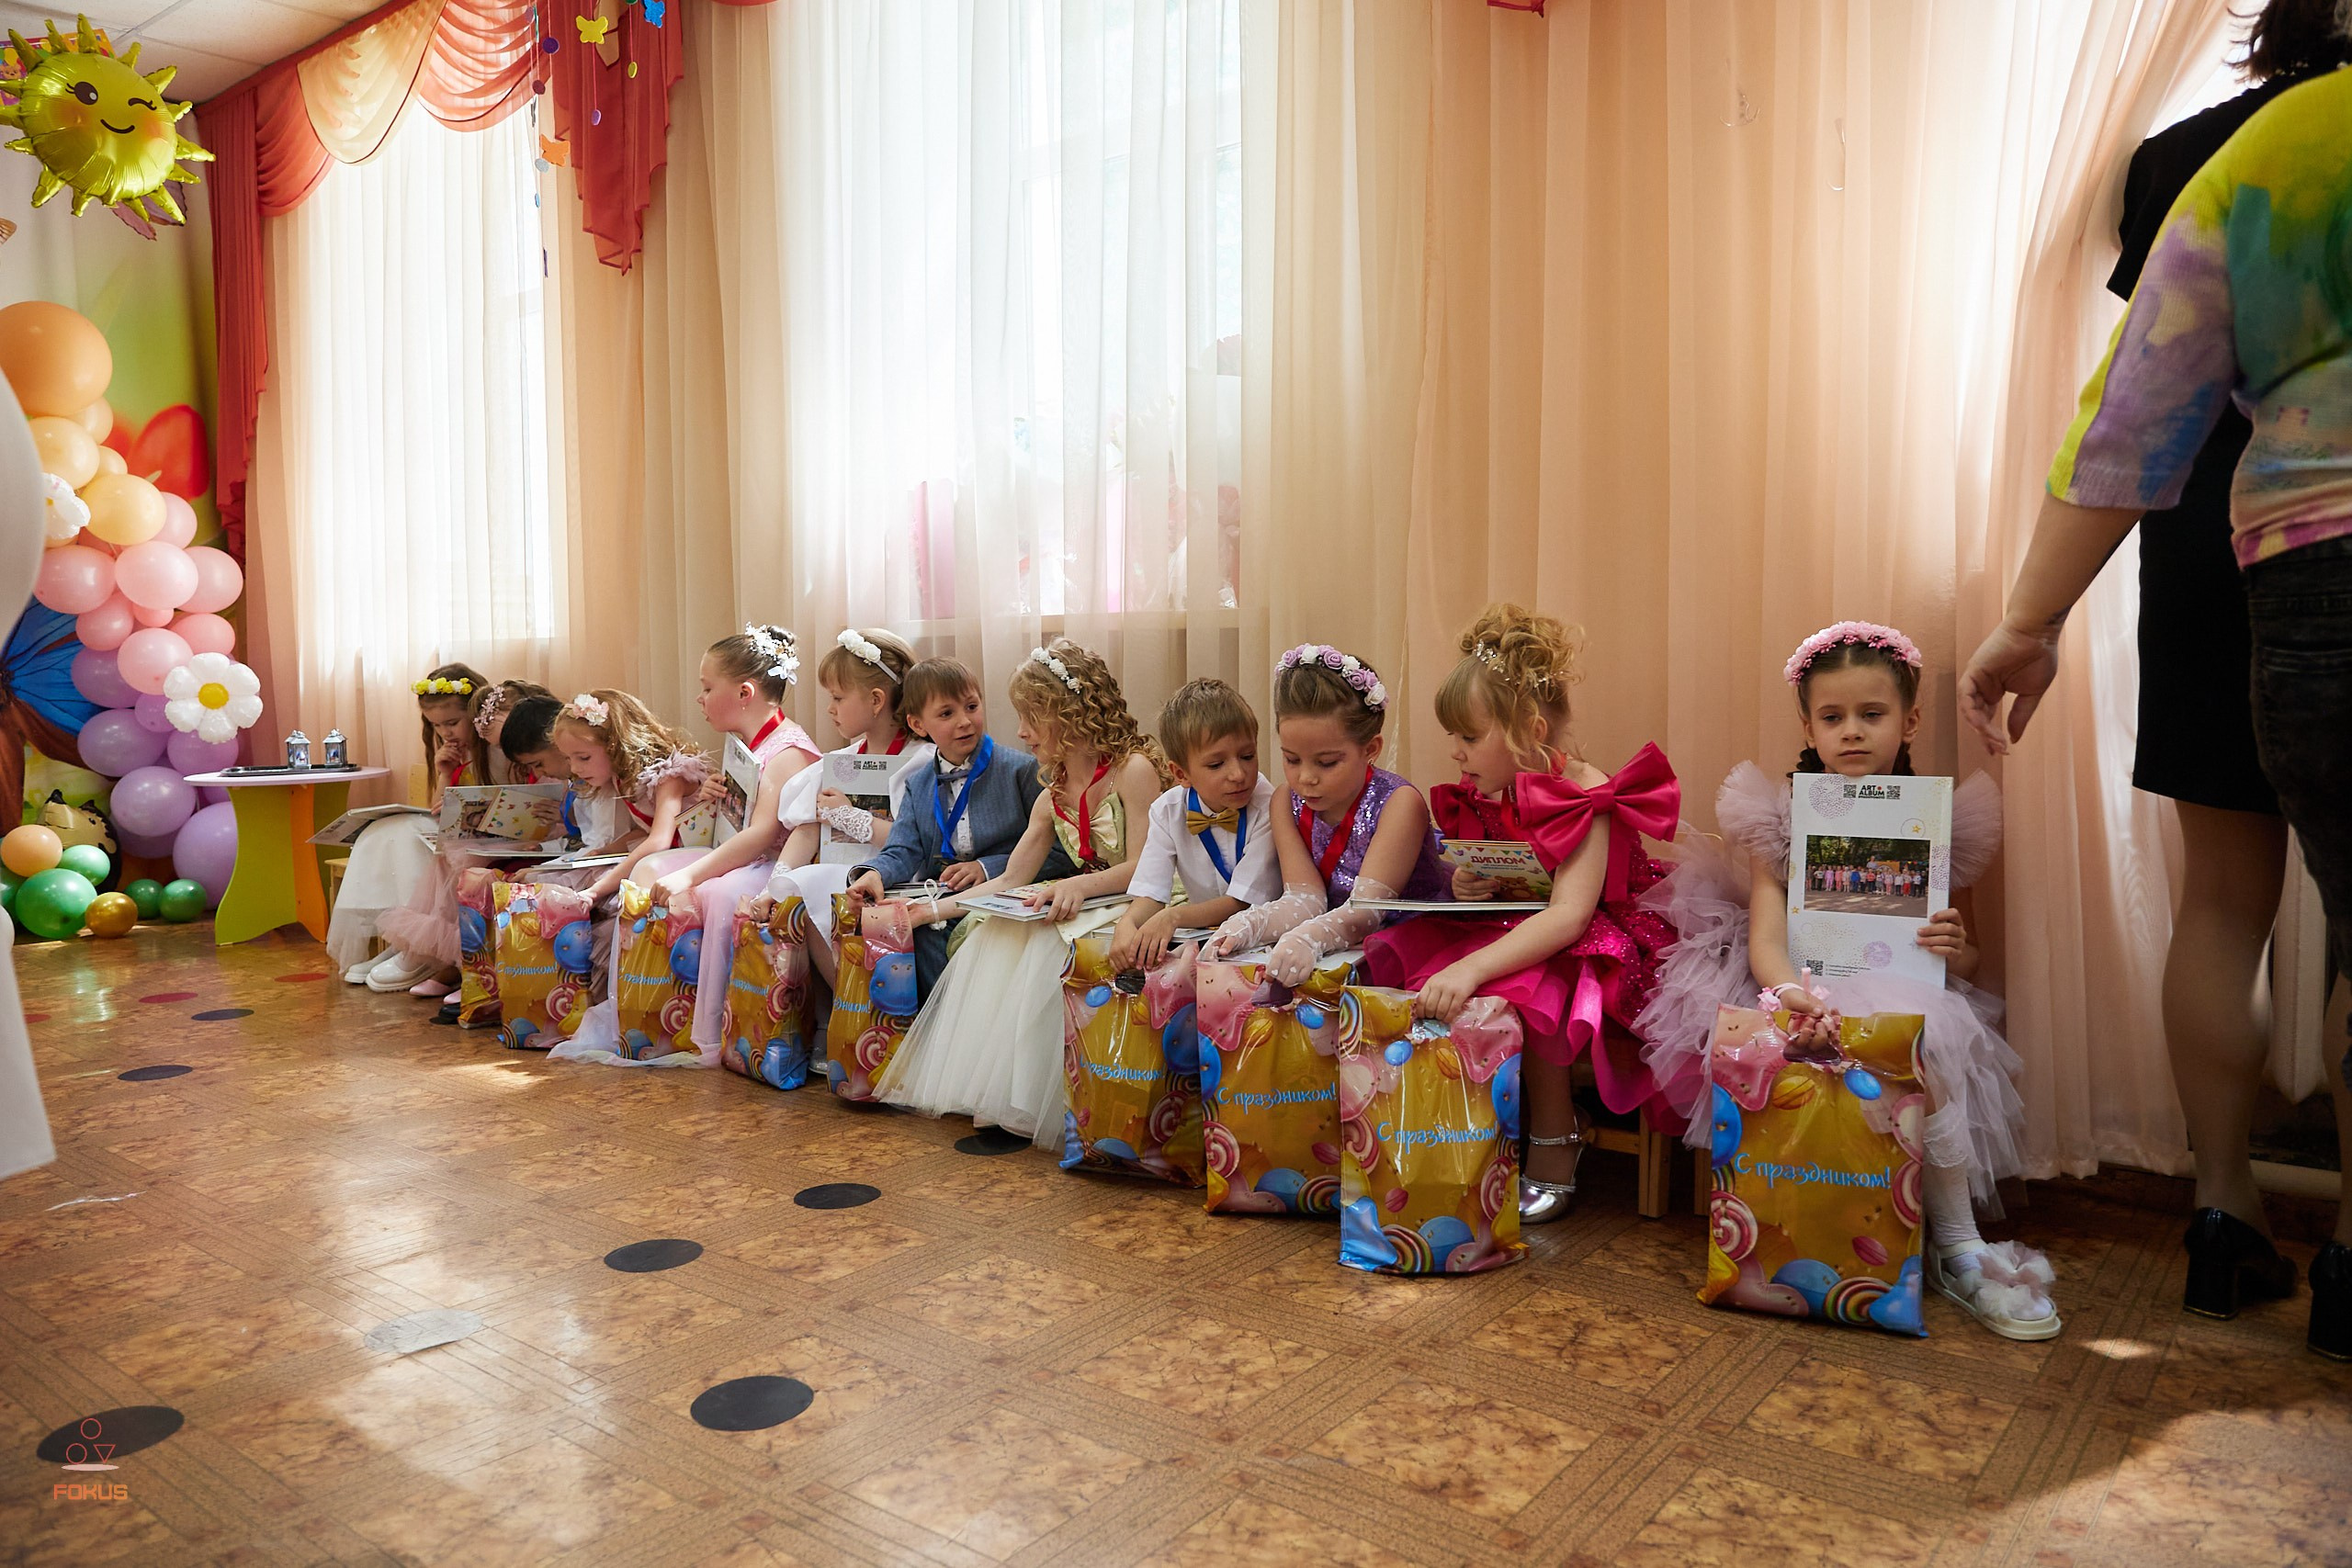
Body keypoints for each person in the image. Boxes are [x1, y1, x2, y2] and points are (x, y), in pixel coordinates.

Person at [1959, 47, 2351, 1359]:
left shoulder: (2235, 155)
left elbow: (2136, 410)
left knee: (2221, 899)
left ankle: (2224, 1211)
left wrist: (2030, 617)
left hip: (2233, 561)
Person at [1651, 624, 2056, 1340]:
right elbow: (1767, 941)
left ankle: (1958, 1247)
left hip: (1901, 989)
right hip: (1794, 985)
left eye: (1873, 715)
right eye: (1832, 718)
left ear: (1910, 720)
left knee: (1929, 1040)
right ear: (1807, 724)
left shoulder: (1926, 820)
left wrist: (1955, 947)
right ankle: (1806, 1230)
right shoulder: (1782, 816)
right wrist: (1795, 996)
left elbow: (1951, 965)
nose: (1853, 733)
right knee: (1844, 1046)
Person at [1360, 605, 1682, 1222]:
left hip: (1593, 932)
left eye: (1468, 736)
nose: (1453, 751)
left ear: (1529, 729)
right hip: (1522, 920)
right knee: (1415, 967)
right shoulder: (1493, 783)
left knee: (1539, 993)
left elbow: (1568, 917)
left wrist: (1472, 969)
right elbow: (1517, 874)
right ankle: (1457, 1134)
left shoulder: (1591, 792)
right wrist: (1472, 881)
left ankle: (1555, 1139)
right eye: (1452, 735)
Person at [870, 640, 1164, 1142]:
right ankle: (1003, 1093)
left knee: (1045, 947)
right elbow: (1009, 880)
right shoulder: (1054, 789)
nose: (1022, 731)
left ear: (1065, 716)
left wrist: (1076, 884)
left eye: (1031, 718)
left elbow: (1145, 867)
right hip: (1088, 893)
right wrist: (930, 910)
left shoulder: (1131, 771)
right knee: (998, 933)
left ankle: (1037, 1099)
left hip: (1141, 895)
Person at [1202, 643, 1449, 977]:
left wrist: (1308, 938)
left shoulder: (1399, 804)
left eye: (1327, 762)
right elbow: (1305, 898)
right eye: (1291, 759)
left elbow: (1368, 910)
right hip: (1342, 940)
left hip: (1415, 941)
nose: (1306, 778)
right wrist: (1247, 925)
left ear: (1371, 749)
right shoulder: (1285, 801)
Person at [646, 626, 821, 1054]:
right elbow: (737, 826)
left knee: (722, 892)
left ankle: (714, 1032)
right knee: (648, 868)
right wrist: (713, 800)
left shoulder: (788, 751)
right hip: (745, 854)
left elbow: (763, 834)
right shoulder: (744, 742)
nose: (699, 699)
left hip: (775, 864)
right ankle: (654, 1011)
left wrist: (688, 876)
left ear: (745, 692)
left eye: (707, 688)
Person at [842, 657, 1047, 999]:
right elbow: (904, 849)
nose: (965, 722)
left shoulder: (1020, 770)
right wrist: (874, 875)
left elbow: (1055, 851)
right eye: (946, 714)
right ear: (918, 724)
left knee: (949, 936)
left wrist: (986, 867)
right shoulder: (918, 783)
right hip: (939, 893)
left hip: (1003, 895)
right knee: (903, 930)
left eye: (972, 706)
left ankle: (961, 1025)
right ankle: (914, 1027)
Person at [768, 628, 933, 990]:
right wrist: (775, 885)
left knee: (813, 881)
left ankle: (855, 1004)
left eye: (838, 697)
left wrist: (851, 817)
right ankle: (844, 1005)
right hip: (843, 874)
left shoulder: (919, 762)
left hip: (898, 877)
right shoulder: (841, 763)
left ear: (876, 700)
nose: (830, 708)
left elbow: (918, 844)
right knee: (798, 886)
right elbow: (808, 829)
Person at [1110, 677, 1284, 973]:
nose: (1238, 774)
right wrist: (1127, 924)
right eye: (1217, 765)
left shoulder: (1271, 805)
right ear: (1181, 773)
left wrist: (1173, 917)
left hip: (1266, 942)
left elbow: (1241, 903)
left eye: (1248, 756)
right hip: (1208, 942)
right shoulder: (1167, 811)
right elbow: (1151, 893)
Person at [354, 663, 497, 995]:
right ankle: (412, 943)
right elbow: (439, 810)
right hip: (458, 838)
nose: (446, 733)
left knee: (447, 856)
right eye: (436, 726)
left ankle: (433, 954)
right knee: (389, 835)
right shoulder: (454, 754)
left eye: (452, 723)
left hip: (485, 845)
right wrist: (445, 773)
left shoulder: (493, 753)